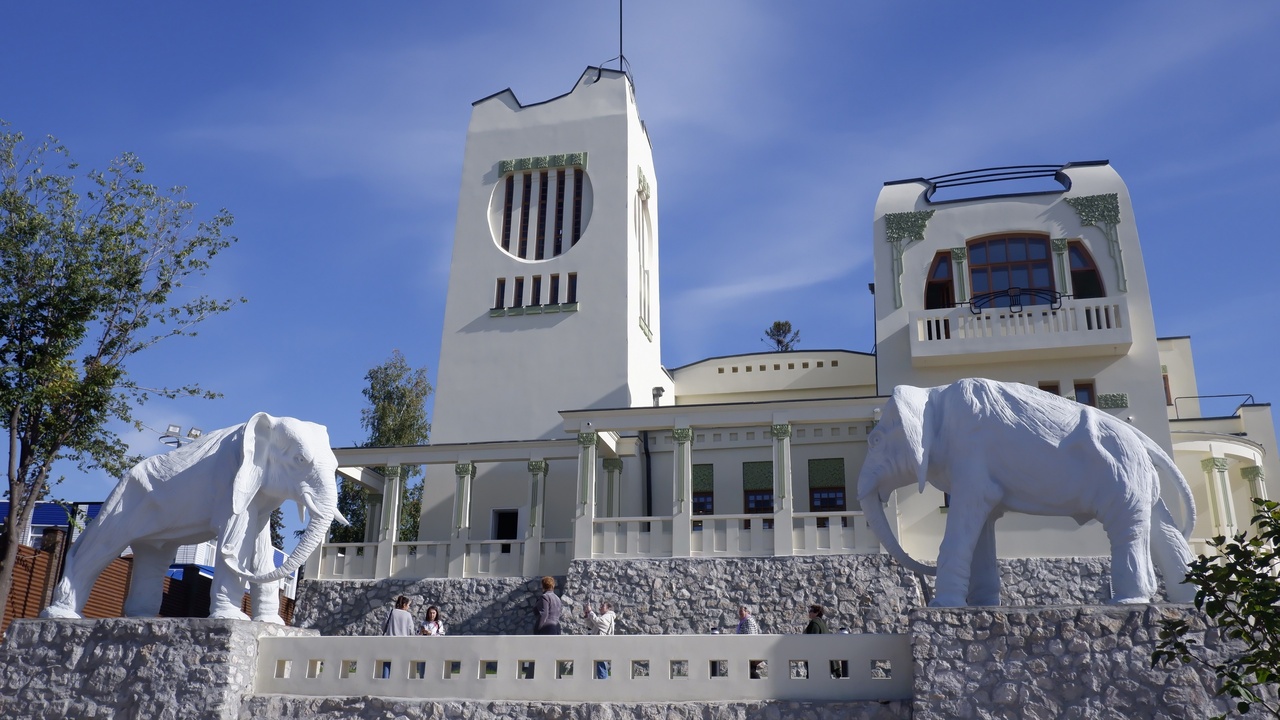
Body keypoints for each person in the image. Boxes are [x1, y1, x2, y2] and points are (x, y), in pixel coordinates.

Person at [381, 595, 415, 678]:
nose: (408, 607)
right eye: (408, 605)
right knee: (401, 663)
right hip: (403, 643)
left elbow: (383, 627)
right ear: (404, 605)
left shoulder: (391, 612)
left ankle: (385, 680)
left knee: (387, 662)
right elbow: (411, 631)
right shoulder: (407, 615)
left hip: (390, 642)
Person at [582, 601, 616, 678]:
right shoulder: (604, 617)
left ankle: (604, 686)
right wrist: (587, 615)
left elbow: (597, 621)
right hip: (599, 645)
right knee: (599, 666)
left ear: (608, 608)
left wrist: (590, 611)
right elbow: (592, 625)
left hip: (601, 646)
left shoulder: (608, 616)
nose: (600, 607)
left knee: (601, 666)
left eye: (603, 606)